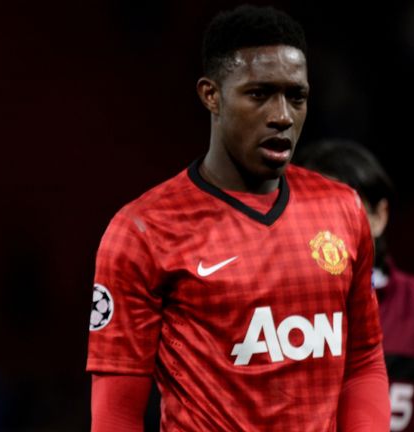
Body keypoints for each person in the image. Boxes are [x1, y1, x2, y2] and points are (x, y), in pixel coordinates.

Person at [86, 5, 390, 431]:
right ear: (211, 95)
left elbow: (363, 360)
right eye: (259, 94)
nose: (282, 115)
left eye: (295, 96)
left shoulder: (341, 208)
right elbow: (117, 411)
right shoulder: (144, 229)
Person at [295, 139, 414, 432]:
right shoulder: (267, 309)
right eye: (310, 211)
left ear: (380, 216)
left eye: (342, 209)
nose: (325, 231)